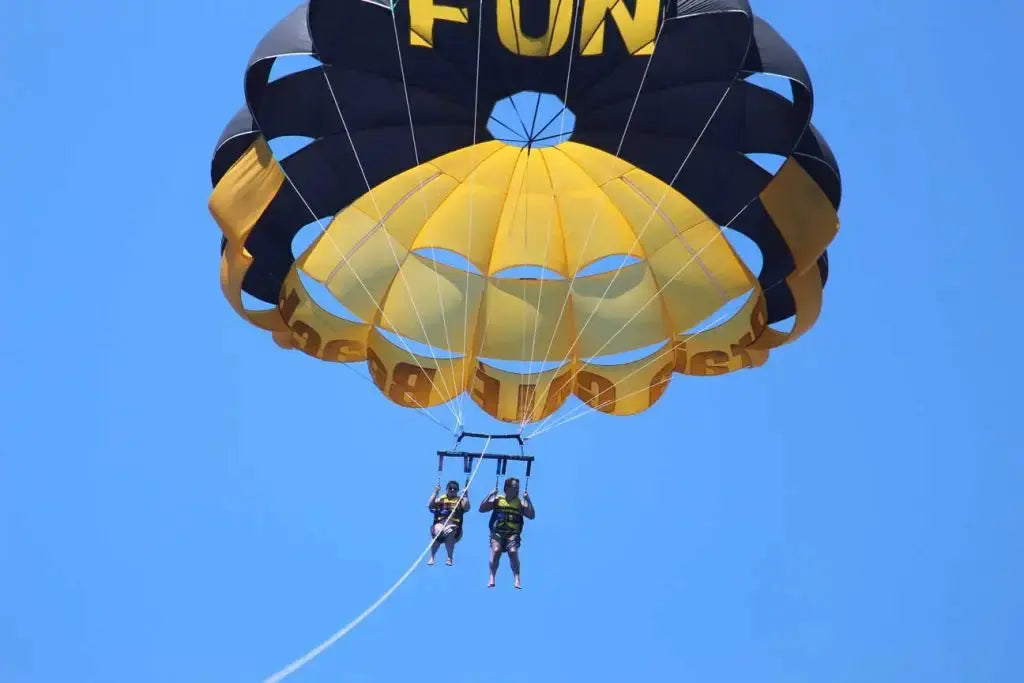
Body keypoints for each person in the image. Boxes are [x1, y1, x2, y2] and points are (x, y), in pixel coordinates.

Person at [478, 477, 535, 589]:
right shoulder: (498, 500)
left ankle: (517, 578)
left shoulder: (520, 503)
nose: (517, 490)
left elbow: (531, 515)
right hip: (498, 532)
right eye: (515, 487)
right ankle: (492, 576)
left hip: (512, 534)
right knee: (496, 550)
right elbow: (482, 509)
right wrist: (490, 495)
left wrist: (528, 500)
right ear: (507, 488)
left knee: (513, 552)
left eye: (518, 488)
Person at [427, 480, 469, 566]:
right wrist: (435, 492)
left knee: (450, 531)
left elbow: (466, 507)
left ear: (457, 490)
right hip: (440, 524)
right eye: (450, 488)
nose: (452, 490)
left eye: (455, 489)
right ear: (447, 489)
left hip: (454, 528)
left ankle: (449, 557)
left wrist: (465, 496)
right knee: (439, 531)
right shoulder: (441, 499)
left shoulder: (459, 500)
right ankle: (432, 557)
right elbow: (430, 505)